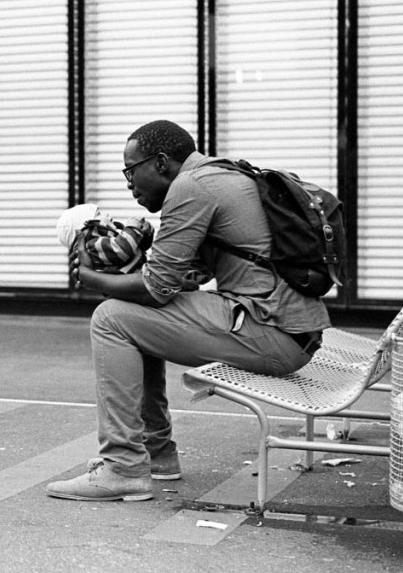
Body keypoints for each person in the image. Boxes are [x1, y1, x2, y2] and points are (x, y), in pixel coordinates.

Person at [46, 120, 329, 502]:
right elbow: (189, 276)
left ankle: (124, 468)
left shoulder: (191, 186)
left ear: (161, 162)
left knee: (111, 318)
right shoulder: (221, 174)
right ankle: (157, 455)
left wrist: (90, 278)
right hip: (286, 328)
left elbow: (156, 288)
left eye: (130, 170)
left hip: (271, 331)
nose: (129, 184)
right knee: (128, 314)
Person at [56, 203, 154, 275]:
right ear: (87, 226)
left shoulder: (109, 239)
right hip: (137, 283)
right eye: (99, 214)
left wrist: (144, 231)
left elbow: (138, 248)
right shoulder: (92, 245)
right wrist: (132, 228)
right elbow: (121, 250)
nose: (106, 214)